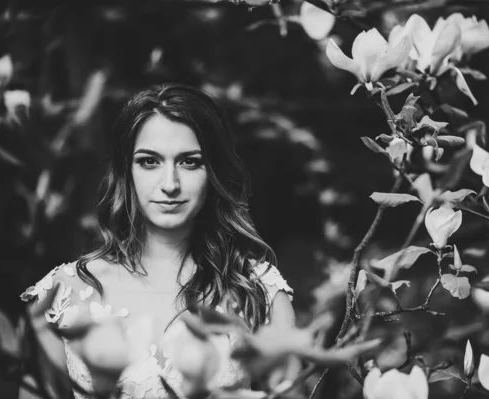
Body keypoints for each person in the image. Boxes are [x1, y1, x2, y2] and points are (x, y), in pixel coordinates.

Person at [20, 84, 295, 399]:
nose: (170, 184)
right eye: (150, 161)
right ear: (127, 172)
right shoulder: (61, 295)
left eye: (189, 162)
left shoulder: (259, 291)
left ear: (214, 171)